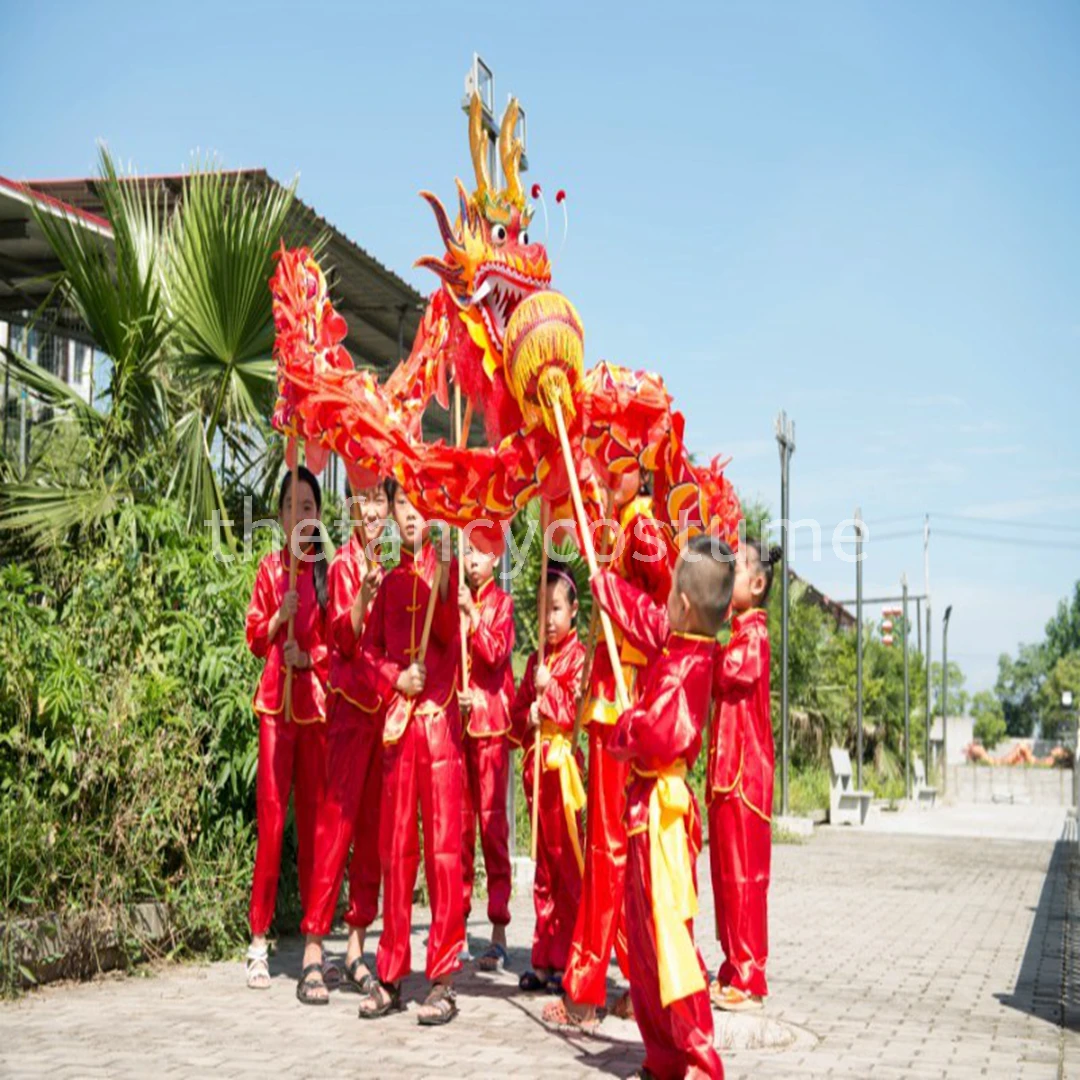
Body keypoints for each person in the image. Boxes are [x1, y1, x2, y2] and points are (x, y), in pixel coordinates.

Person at [546, 468, 676, 1030]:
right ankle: (637, 985)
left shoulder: (643, 532)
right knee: (613, 850)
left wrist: (611, 591)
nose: (601, 473)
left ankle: (589, 991)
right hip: (612, 708)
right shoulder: (620, 527)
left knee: (609, 848)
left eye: (613, 463)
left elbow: (662, 625)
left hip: (623, 709)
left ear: (638, 470)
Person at [600, 533, 734, 1079]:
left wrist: (624, 724)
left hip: (663, 816)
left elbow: (654, 733)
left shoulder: (691, 665)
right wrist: (606, 585)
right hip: (644, 810)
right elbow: (644, 619)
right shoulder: (678, 645)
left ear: (680, 603)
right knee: (645, 940)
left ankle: (699, 1057)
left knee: (670, 939)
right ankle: (663, 1055)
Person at [357, 483, 464, 1026]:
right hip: (398, 729)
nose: (411, 513)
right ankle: (392, 973)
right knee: (395, 851)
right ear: (393, 512)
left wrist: (446, 571)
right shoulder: (390, 581)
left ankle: (442, 977)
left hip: (440, 725)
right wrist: (395, 676)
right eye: (402, 504)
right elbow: (367, 653)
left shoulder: (444, 569)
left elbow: (449, 631)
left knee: (444, 854)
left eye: (421, 502)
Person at [297, 479, 391, 1004]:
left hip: (384, 719)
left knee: (373, 836)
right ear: (351, 507)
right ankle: (314, 944)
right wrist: (363, 602)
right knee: (335, 829)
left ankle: (356, 942)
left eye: (382, 501)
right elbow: (343, 640)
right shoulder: (344, 566)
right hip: (349, 715)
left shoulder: (396, 569)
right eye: (366, 501)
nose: (374, 512)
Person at [244, 465, 330, 991]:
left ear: (318, 516)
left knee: (317, 834)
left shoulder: (329, 571)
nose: (299, 515)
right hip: (277, 709)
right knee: (272, 829)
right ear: (278, 516)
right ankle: (258, 941)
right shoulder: (270, 570)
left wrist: (310, 653)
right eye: (290, 507)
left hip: (316, 712)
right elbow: (255, 636)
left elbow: (340, 645)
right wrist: (279, 620)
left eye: (308, 506)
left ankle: (314, 941)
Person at [708, 539, 777, 1013]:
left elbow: (730, 674)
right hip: (726, 774)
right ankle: (733, 965)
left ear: (757, 583)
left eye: (736, 570)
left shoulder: (753, 638)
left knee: (747, 878)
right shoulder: (734, 634)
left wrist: (701, 642)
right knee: (726, 878)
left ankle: (751, 973)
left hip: (746, 776)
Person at [510, 567, 586, 995]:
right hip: (536, 773)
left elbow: (577, 712)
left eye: (555, 610)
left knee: (567, 869)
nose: (549, 620)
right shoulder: (538, 660)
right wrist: (529, 715)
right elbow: (518, 715)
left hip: (563, 774)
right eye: (542, 612)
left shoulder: (577, 658)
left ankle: (570, 957)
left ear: (573, 611)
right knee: (543, 870)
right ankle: (542, 957)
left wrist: (550, 690)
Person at [457, 537, 516, 972]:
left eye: (478, 552)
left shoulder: (502, 605)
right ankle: (454, 928)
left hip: (491, 724)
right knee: (457, 833)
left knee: (493, 830)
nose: (470, 560)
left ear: (495, 556)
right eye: (465, 550)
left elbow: (495, 654)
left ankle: (497, 931)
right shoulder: (454, 600)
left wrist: (473, 617)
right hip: (457, 725)